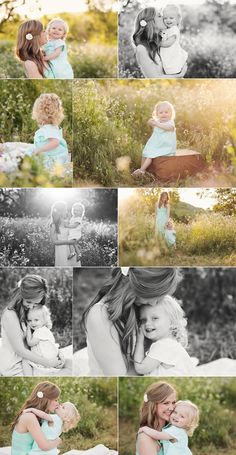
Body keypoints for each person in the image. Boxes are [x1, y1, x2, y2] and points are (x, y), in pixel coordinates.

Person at [79, 268, 182, 376]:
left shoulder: (139, 305)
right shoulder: (99, 316)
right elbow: (118, 376)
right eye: (155, 296)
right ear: (142, 286)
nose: (154, 303)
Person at [0, 274, 64, 376]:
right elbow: (20, 350)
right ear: (20, 295)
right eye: (29, 302)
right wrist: (48, 363)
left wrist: (57, 355)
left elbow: (40, 339)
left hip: (32, 358)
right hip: (16, 364)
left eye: (35, 304)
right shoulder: (10, 315)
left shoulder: (29, 311)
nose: (31, 306)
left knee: (69, 364)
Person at [0, 93, 69, 172]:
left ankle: (5, 159)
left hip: (48, 158)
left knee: (21, 155)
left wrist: (40, 150)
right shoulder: (51, 126)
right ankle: (5, 152)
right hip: (48, 154)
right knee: (24, 150)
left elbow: (55, 142)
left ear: (41, 114)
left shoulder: (49, 128)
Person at [134, 295, 195, 376]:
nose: (147, 323)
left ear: (172, 321)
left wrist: (139, 341)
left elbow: (140, 368)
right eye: (143, 320)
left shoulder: (164, 345)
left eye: (155, 318)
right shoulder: (171, 344)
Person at [132, 8, 187, 79]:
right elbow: (154, 78)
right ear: (151, 22)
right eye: (159, 16)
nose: (163, 17)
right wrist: (180, 75)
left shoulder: (162, 41)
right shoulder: (142, 48)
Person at [11, 381, 61, 454]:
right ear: (46, 399)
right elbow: (44, 446)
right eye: (56, 400)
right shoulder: (29, 417)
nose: (58, 403)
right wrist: (58, 440)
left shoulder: (37, 416)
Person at [132, 101, 176, 176]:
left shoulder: (170, 122)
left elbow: (169, 128)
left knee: (150, 156)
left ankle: (142, 171)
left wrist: (157, 124)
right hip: (156, 143)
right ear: (157, 114)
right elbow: (150, 122)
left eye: (166, 112)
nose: (164, 114)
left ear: (171, 113)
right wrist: (151, 122)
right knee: (145, 153)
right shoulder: (157, 121)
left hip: (165, 145)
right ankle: (142, 168)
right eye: (161, 112)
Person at [136, 381, 177, 455]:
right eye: (166, 403)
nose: (171, 408)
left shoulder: (173, 430)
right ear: (153, 405)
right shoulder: (146, 438)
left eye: (173, 402)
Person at [22, 305, 60, 376]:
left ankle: (28, 377)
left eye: (36, 320)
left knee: (25, 360)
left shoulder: (40, 331)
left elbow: (30, 343)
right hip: (50, 357)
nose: (32, 323)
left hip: (46, 360)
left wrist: (28, 330)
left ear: (44, 320)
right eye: (29, 320)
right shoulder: (45, 330)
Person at [159, 4, 188, 75]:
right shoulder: (166, 29)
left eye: (171, 18)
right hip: (167, 56)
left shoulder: (174, 29)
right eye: (165, 18)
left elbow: (168, 43)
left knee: (172, 71)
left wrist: (156, 43)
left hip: (172, 57)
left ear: (178, 19)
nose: (168, 20)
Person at [50, 201, 79, 266]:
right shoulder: (53, 225)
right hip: (62, 250)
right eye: (65, 210)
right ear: (59, 212)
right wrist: (68, 242)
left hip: (72, 250)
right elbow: (54, 241)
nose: (66, 212)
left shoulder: (68, 222)